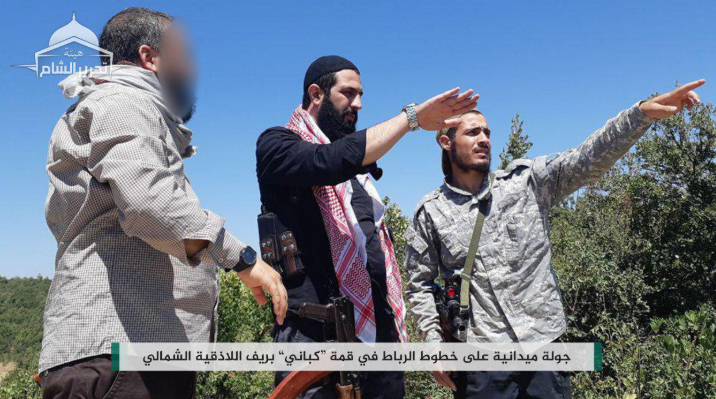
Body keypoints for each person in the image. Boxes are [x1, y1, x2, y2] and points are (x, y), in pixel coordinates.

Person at [39, 8, 287, 399]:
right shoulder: (123, 100)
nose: (192, 70)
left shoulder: (113, 105)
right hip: (120, 354)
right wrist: (242, 259)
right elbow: (149, 203)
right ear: (149, 57)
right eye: (184, 56)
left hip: (123, 356)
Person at [405, 79, 705, 399]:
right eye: (472, 132)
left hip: (544, 350)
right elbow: (419, 284)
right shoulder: (431, 212)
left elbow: (587, 158)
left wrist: (641, 114)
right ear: (445, 142)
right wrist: (433, 342)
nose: (483, 139)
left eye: (487, 133)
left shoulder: (527, 183)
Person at [256, 55, 478, 398]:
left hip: (379, 340)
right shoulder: (276, 146)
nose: (358, 104)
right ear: (316, 94)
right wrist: (412, 119)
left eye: (361, 95)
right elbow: (327, 161)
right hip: (314, 343)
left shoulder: (358, 179)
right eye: (348, 93)